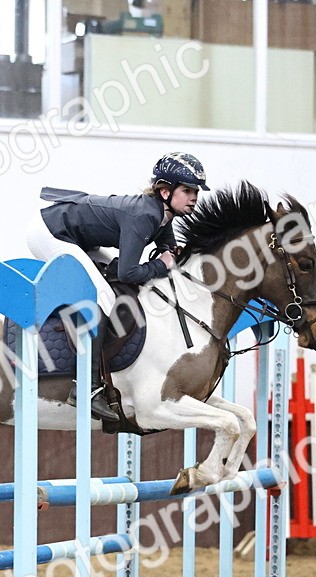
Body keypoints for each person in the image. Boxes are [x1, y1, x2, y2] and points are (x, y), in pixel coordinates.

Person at [25, 151, 209, 421]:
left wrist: (174, 255)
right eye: (188, 190)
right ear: (165, 191)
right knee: (103, 299)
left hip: (75, 234)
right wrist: (162, 264)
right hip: (50, 232)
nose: (194, 197)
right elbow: (128, 272)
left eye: (196, 191)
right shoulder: (145, 215)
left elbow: (167, 248)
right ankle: (85, 388)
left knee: (112, 286)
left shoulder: (162, 214)